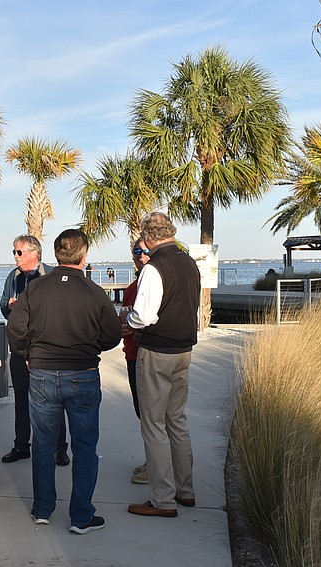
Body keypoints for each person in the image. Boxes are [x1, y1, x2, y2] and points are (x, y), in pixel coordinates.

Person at [7, 229, 122, 535]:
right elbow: (112, 335)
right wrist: (88, 346)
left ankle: (43, 509)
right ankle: (81, 516)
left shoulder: (35, 289)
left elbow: (15, 328)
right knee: (84, 446)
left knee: (43, 444)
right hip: (82, 374)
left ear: (57, 254)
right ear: (85, 256)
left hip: (42, 374)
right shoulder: (94, 292)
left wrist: (27, 353)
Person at [124, 212, 201, 518]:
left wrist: (127, 319)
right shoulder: (188, 262)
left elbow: (144, 315)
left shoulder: (155, 268)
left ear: (149, 238)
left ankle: (162, 498)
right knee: (177, 421)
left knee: (154, 424)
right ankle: (185, 490)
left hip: (157, 351)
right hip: (183, 350)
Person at [0, 235, 69, 466]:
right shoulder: (14, 276)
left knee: (53, 399)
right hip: (20, 347)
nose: (15, 257)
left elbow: (59, 310)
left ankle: (60, 448)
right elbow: (2, 307)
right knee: (21, 398)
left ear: (33, 253)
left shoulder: (50, 275)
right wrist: (10, 307)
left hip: (46, 348)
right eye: (14, 252)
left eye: (19, 252)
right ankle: (21, 445)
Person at [121, 238, 151, 484]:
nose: (140, 255)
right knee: (142, 411)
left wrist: (130, 324)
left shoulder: (151, 284)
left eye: (145, 251)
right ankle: (152, 460)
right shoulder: (133, 286)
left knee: (152, 413)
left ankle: (156, 466)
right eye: (136, 251)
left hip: (147, 354)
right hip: (131, 353)